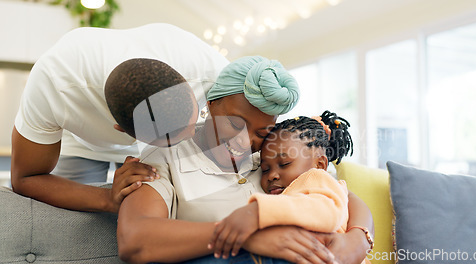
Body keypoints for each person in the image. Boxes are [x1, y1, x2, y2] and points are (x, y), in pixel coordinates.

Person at [117, 56, 374, 264]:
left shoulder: (271, 151)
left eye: (260, 132)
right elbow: (135, 240)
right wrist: (244, 235)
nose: (244, 142)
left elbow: (340, 194)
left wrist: (359, 239)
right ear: (212, 103)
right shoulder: (166, 155)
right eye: (233, 123)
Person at [10, 23, 229, 213]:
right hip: (81, 145)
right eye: (176, 139)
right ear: (120, 129)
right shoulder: (53, 83)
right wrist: (107, 199)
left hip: (152, 135)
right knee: (76, 220)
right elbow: (26, 178)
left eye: (193, 122)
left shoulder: (206, 67)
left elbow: (260, 113)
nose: (194, 135)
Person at [208, 111, 372, 264]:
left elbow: (326, 213)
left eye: (285, 164)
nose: (272, 175)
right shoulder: (289, 189)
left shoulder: (317, 178)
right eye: (265, 169)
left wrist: (258, 212)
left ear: (320, 164)